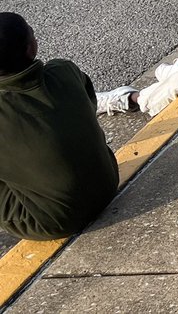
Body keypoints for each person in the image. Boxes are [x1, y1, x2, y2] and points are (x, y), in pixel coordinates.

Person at [0, 12, 119, 240]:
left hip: (52, 221)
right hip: (107, 182)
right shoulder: (64, 70)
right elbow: (89, 104)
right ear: (31, 48)